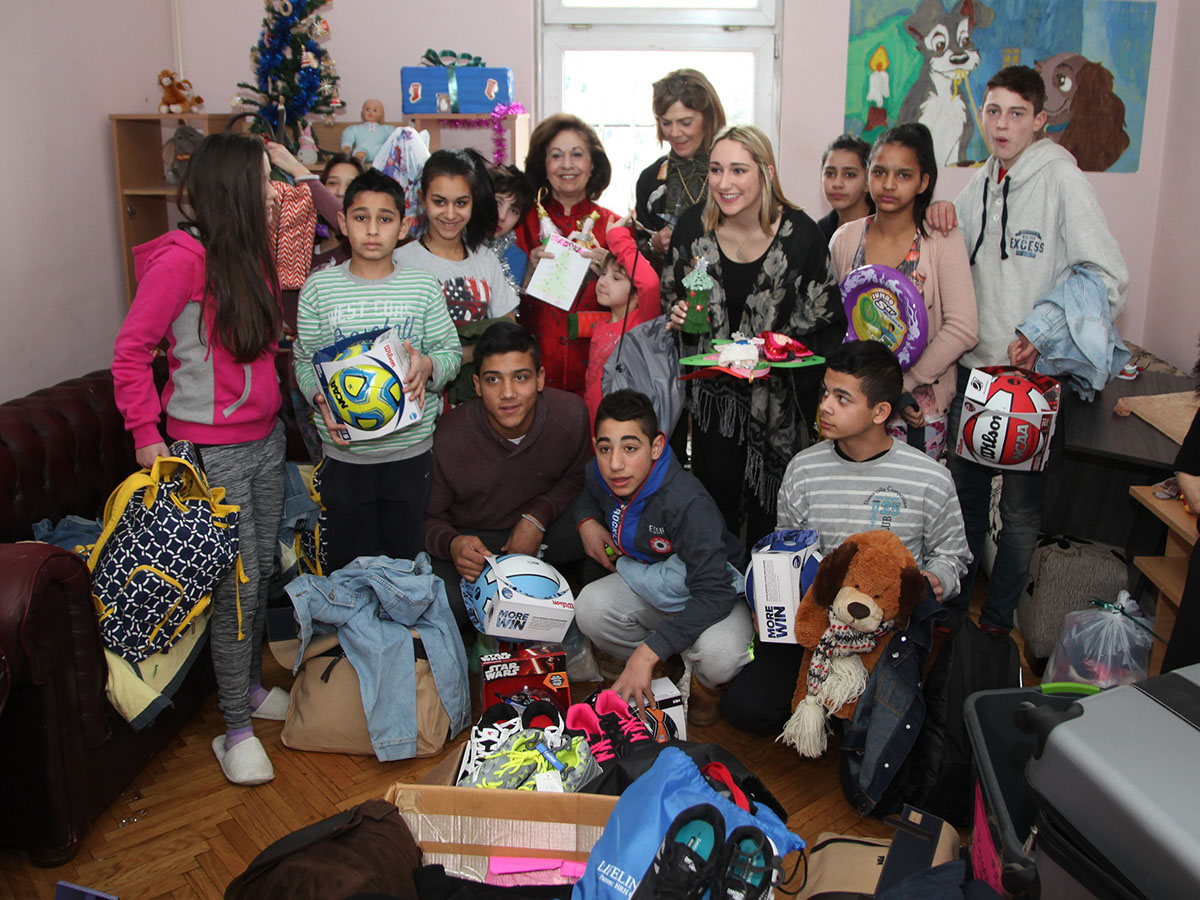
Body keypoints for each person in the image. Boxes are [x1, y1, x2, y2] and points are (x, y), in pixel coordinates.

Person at [111, 133, 289, 785]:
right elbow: (130, 352)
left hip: (266, 441)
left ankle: (251, 692)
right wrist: (145, 434)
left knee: (260, 573)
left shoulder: (252, 251)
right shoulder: (181, 261)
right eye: (265, 179)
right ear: (235, 188)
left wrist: (294, 168)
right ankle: (234, 729)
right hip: (211, 452)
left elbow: (307, 220)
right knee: (236, 590)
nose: (274, 192)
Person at [927, 65, 1128, 635]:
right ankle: (953, 618)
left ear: (1040, 120)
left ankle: (994, 626)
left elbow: (1107, 276)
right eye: (993, 111)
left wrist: (1044, 332)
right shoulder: (983, 178)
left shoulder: (1062, 179)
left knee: (1017, 514)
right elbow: (948, 255)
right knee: (963, 503)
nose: (1001, 124)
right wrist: (939, 211)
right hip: (975, 373)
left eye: (1016, 114)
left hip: (1029, 385)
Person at [721, 341, 971, 733]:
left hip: (884, 633)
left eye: (842, 398)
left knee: (880, 726)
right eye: (825, 392)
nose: (825, 406)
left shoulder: (930, 478)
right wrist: (770, 598)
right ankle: (824, 705)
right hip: (816, 625)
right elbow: (786, 549)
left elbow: (953, 556)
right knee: (745, 709)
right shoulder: (804, 469)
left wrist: (937, 577)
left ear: (880, 412)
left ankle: (842, 713)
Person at [663, 124, 846, 548]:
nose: (724, 183)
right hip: (713, 406)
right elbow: (673, 293)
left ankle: (768, 586)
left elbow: (826, 320)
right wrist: (677, 313)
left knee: (772, 513)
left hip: (777, 407)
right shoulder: (692, 227)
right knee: (714, 506)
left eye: (739, 170)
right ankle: (720, 583)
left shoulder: (802, 236)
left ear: (766, 172)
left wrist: (771, 353)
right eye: (716, 169)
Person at [293, 169, 462, 572]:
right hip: (344, 458)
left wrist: (428, 365)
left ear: (403, 227)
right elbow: (302, 360)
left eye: (385, 219)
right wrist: (318, 396)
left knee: (405, 567)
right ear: (342, 222)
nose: (372, 230)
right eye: (361, 217)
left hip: (411, 455)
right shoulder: (318, 289)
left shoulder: (422, 287)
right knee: (348, 570)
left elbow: (450, 353)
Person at [574, 390, 753, 726]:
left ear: (656, 447)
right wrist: (586, 520)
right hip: (654, 582)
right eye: (605, 448)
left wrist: (649, 650)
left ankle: (704, 682)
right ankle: (666, 665)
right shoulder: (601, 473)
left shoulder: (687, 502)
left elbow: (714, 592)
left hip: (715, 594)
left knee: (721, 656)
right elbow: (588, 493)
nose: (615, 464)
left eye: (630, 448)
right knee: (589, 608)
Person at [424, 322, 592, 636]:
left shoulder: (570, 414)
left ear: (540, 378)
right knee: (445, 603)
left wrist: (537, 517)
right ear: (477, 385)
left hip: (544, 533)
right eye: (493, 379)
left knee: (597, 527)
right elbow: (428, 517)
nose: (508, 393)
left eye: (521, 377)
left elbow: (578, 477)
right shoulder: (450, 435)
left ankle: (579, 606)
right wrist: (452, 543)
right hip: (480, 543)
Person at [829, 123, 977, 457]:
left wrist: (899, 386)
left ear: (923, 182)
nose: (889, 184)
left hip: (918, 410)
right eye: (879, 172)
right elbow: (837, 321)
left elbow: (963, 328)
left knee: (908, 491)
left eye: (904, 175)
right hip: (853, 406)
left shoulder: (942, 239)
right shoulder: (845, 238)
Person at [394, 149, 520, 403]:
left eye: (461, 203)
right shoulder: (400, 261)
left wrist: (462, 354)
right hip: (417, 398)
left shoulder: (485, 259)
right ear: (422, 199)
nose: (450, 214)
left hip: (475, 399)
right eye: (439, 202)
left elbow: (508, 328)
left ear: (473, 201)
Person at [515, 114, 617, 393]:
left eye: (577, 154)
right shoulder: (520, 223)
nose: (567, 164)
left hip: (597, 370)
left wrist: (611, 270)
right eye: (556, 155)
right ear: (544, 165)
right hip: (531, 369)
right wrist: (526, 276)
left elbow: (635, 308)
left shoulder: (614, 227)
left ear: (592, 164)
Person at [635, 69, 727, 268]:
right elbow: (636, 251)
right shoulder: (651, 179)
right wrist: (654, 244)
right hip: (670, 285)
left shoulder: (735, 173)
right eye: (666, 123)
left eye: (685, 122)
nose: (674, 133)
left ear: (708, 118)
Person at [582, 217, 660, 424]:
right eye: (603, 274)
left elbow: (650, 283)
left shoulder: (644, 323)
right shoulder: (600, 326)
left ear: (636, 292)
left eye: (616, 278)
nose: (603, 282)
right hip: (596, 424)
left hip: (628, 425)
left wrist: (616, 236)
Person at [486, 163, 535, 291]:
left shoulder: (517, 258)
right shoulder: (453, 242)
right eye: (497, 203)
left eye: (514, 211)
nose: (502, 216)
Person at [818, 134, 874, 242]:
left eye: (849, 175)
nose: (837, 183)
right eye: (830, 174)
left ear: (868, 182)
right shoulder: (821, 231)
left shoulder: (884, 227)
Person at [312, 152, 364, 267]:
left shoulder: (363, 243)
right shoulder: (306, 241)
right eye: (333, 183)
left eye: (350, 185)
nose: (341, 192)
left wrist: (298, 170)